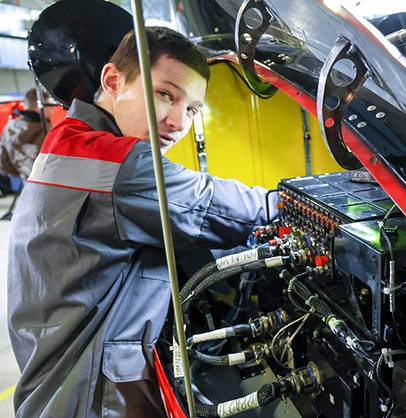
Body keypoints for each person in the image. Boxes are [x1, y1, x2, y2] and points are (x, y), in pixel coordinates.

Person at [8, 27, 276, 417]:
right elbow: (221, 206)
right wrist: (294, 199)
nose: (177, 122)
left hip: (57, 378)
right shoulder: (117, 162)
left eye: (191, 109)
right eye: (165, 94)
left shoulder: (68, 138)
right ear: (113, 80)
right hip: (91, 395)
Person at [0, 88, 53, 180]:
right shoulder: (47, 130)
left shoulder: (8, 128)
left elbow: (3, 163)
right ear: (39, 107)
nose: (53, 110)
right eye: (50, 106)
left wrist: (24, 176)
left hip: (28, 184)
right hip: (51, 183)